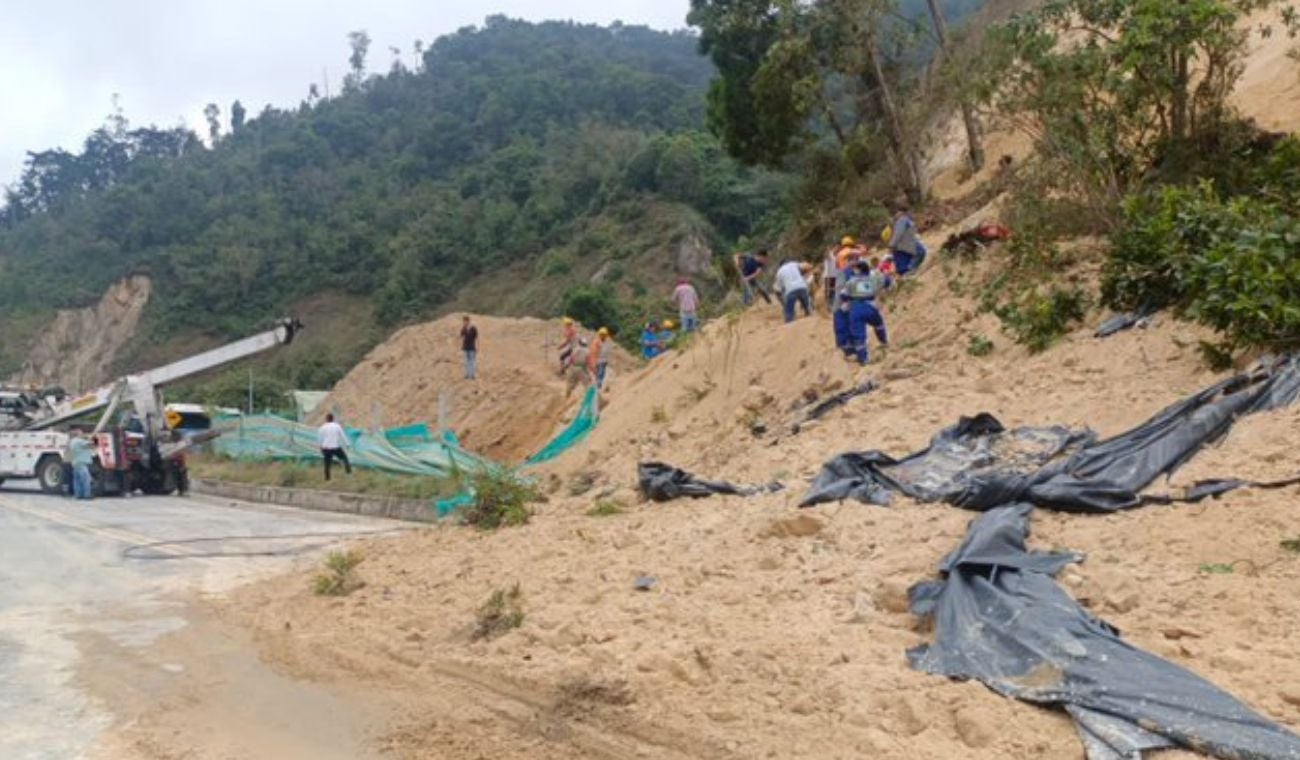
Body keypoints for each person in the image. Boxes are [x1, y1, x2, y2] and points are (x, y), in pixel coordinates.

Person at [843, 260, 889, 364]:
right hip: (870, 306)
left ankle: (863, 359)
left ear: (858, 270)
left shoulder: (851, 281)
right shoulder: (874, 278)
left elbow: (844, 295)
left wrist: (848, 300)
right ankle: (884, 342)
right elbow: (887, 281)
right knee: (879, 324)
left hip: (856, 309)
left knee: (859, 335)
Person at [889, 204, 927, 276]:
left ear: (900, 212)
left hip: (903, 244)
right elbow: (898, 233)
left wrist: (892, 245)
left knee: (903, 265)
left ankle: (909, 272)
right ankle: (911, 271)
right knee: (921, 252)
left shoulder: (902, 220)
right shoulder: (903, 220)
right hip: (905, 243)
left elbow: (898, 233)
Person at [774, 259, 812, 323]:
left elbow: (777, 288)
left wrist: (782, 301)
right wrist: (806, 274)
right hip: (802, 287)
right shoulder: (794, 264)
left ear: (780, 266)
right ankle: (808, 312)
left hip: (790, 290)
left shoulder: (779, 272)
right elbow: (806, 266)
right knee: (807, 307)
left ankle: (789, 318)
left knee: (789, 313)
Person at [317, 413, 352, 481]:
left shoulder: (322, 427)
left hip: (326, 448)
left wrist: (320, 446)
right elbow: (343, 435)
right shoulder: (337, 426)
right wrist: (347, 444)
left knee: (327, 463)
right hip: (335, 447)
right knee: (345, 459)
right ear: (333, 419)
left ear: (326, 419)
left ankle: (327, 478)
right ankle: (348, 473)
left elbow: (320, 438)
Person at [66, 430, 95, 500]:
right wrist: (92, 438)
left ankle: (78, 495)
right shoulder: (79, 441)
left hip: (75, 463)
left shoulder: (72, 441)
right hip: (81, 463)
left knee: (77, 481)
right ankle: (87, 495)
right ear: (77, 434)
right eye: (81, 433)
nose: (82, 434)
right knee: (86, 479)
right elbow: (92, 444)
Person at [460, 315, 479, 380]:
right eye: (464, 321)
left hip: (472, 347)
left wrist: (477, 346)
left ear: (468, 321)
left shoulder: (473, 328)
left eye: (465, 321)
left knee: (472, 361)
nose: (464, 322)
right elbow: (461, 337)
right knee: (466, 361)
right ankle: (467, 374)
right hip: (465, 347)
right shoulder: (463, 328)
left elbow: (476, 338)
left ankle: (472, 375)